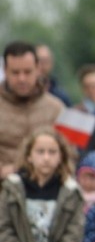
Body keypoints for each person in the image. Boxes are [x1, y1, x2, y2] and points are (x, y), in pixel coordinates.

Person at [0, 41, 65, 180]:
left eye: (27, 72)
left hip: (46, 194)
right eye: (15, 72)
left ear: (38, 68)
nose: (22, 78)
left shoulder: (56, 109)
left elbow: (70, 155)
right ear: (5, 70)